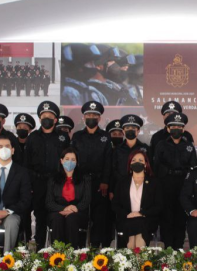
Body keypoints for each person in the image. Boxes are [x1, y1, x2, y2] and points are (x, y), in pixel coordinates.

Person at [24, 101, 71, 250]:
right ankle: (39, 251)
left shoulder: (63, 137)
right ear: (39, 119)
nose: (46, 118)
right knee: (40, 217)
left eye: (50, 116)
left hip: (58, 183)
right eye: (43, 116)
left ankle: (58, 251)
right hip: (38, 183)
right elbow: (27, 163)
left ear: (55, 119)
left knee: (58, 217)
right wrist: (30, 184)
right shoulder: (32, 138)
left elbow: (69, 161)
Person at [70, 101, 113, 247]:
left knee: (99, 217)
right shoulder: (77, 136)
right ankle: (80, 248)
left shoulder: (105, 137)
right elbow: (72, 159)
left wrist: (105, 181)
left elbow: (108, 161)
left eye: (94, 115)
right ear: (84, 117)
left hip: (99, 182)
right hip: (80, 182)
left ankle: (95, 247)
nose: (91, 117)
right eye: (88, 115)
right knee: (80, 215)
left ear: (99, 118)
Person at [153, 113, 197, 249]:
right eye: (173, 126)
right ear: (168, 128)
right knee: (166, 216)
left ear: (183, 129)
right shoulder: (161, 145)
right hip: (166, 184)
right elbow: (155, 167)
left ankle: (178, 247)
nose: (176, 129)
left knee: (180, 216)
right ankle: (168, 246)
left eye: (179, 126)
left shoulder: (189, 145)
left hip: (184, 184)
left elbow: (194, 168)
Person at [112, 150, 162, 249]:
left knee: (139, 223)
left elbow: (159, 205)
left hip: (147, 219)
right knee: (133, 224)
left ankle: (134, 259)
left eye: (140, 160)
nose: (137, 162)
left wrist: (142, 213)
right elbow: (115, 204)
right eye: (133, 160)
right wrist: (127, 214)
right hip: (126, 219)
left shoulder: (154, 183)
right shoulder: (122, 182)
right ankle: (138, 258)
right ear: (130, 164)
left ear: (146, 164)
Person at [45, 147, 90, 248]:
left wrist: (75, 208)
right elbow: (49, 202)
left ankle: (72, 252)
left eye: (73, 159)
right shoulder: (53, 179)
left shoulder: (85, 178)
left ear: (77, 162)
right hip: (57, 211)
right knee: (57, 219)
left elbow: (86, 200)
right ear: (61, 161)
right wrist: (63, 208)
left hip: (78, 212)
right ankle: (57, 253)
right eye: (67, 159)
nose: (70, 161)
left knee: (71, 218)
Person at [111, 115, 150, 196]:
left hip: (141, 186)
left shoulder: (145, 149)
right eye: (127, 128)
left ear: (138, 130)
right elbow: (113, 170)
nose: (130, 130)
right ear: (123, 131)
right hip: (120, 186)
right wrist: (112, 189)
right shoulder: (117, 149)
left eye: (133, 128)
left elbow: (149, 169)